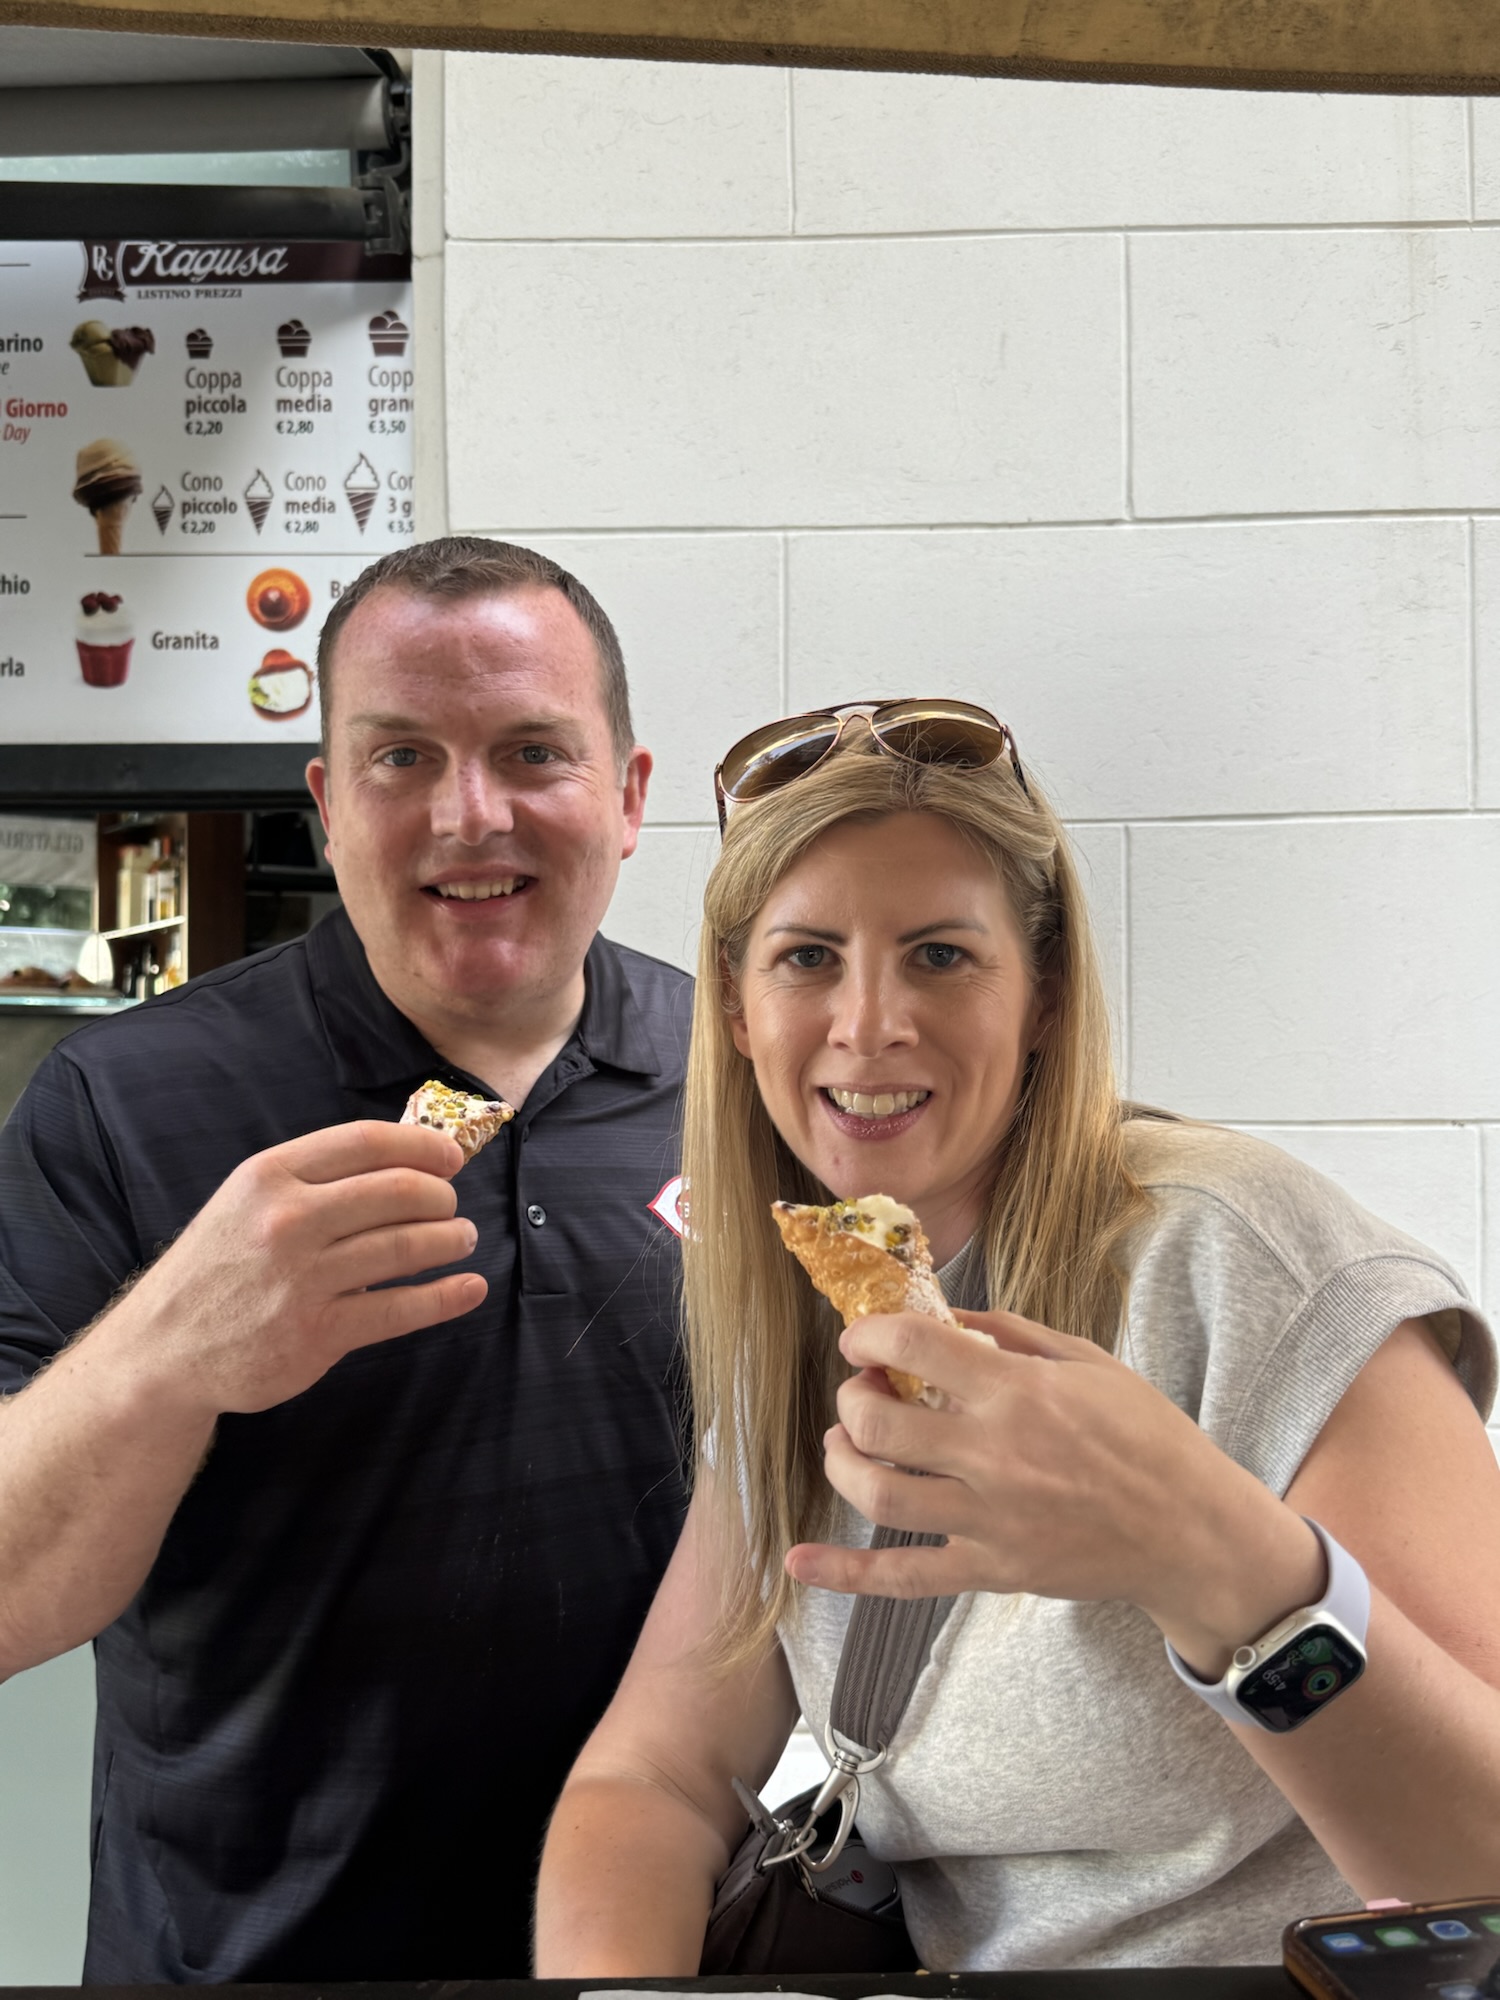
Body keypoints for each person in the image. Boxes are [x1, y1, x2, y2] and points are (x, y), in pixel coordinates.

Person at [535, 698, 1500, 1974]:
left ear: (1044, 996)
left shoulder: (1239, 1257)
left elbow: (1479, 1870)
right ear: (733, 1008)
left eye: (939, 954)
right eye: (807, 955)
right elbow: (654, 1775)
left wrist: (1212, 1560)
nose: (868, 1022)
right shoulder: (801, 1317)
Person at [0, 538, 693, 1982]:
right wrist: (167, 1350)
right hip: (247, 1961)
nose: (470, 814)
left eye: (532, 752)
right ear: (325, 804)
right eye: (400, 758)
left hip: (656, 1947)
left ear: (627, 798)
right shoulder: (119, 1100)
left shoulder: (746, 1082)